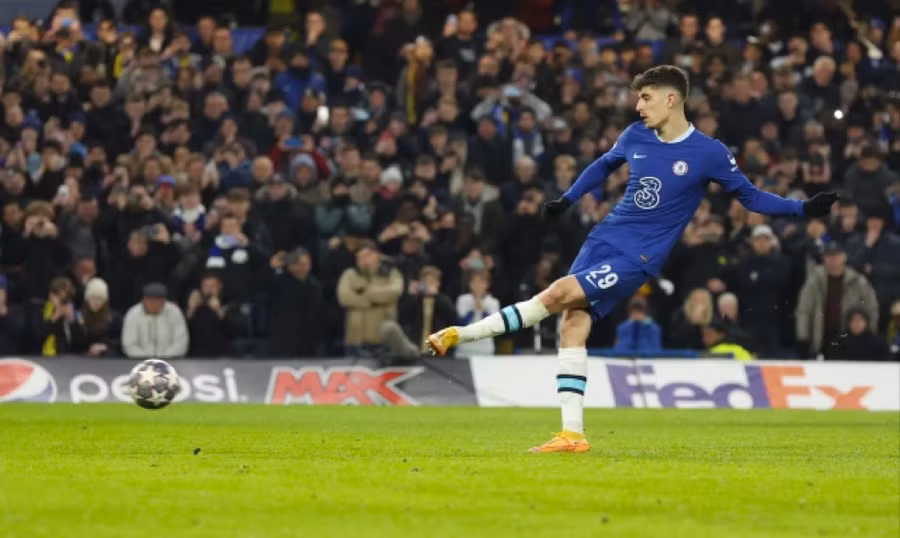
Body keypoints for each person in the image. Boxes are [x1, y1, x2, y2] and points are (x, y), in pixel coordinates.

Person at [426, 65, 837, 453]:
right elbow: (603, 166)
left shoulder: (708, 152)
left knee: (556, 294)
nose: (638, 106)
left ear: (671, 99)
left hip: (637, 256)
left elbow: (750, 196)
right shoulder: (636, 135)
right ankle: (572, 434)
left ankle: (460, 335)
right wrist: (567, 200)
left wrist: (802, 209)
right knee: (572, 324)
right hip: (602, 240)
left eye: (646, 97)